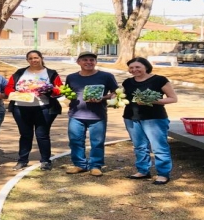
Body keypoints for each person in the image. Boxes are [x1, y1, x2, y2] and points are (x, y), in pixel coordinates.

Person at [122, 57, 178, 185]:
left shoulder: (159, 80)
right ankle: (143, 171)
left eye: (137, 67)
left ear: (146, 67)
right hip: (131, 117)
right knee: (139, 146)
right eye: (131, 67)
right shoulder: (128, 82)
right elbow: (124, 96)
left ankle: (163, 174)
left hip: (155, 118)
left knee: (159, 147)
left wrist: (152, 101)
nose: (134, 70)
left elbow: (173, 98)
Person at [5, 50, 63, 171]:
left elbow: (59, 89)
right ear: (27, 60)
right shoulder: (20, 72)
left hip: (44, 108)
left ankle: (46, 160)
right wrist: (14, 93)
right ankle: (22, 160)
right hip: (21, 107)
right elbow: (9, 87)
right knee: (25, 135)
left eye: (36, 58)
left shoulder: (51, 73)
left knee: (42, 135)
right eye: (30, 58)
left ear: (41, 58)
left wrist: (49, 91)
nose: (33, 60)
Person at [64, 51, 119, 176]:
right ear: (78, 62)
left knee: (97, 142)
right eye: (85, 60)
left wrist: (103, 98)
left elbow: (116, 93)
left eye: (91, 60)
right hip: (76, 115)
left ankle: (96, 165)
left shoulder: (106, 76)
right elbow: (67, 92)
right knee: (75, 141)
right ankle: (79, 164)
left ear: (95, 62)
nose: (88, 62)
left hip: (98, 115)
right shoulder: (71, 77)